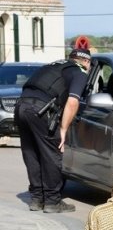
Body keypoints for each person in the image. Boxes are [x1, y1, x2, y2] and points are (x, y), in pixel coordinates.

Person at [15, 48, 91, 213]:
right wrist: (63, 129)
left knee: (31, 153)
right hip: (41, 111)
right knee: (51, 153)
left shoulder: (54, 66)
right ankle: (52, 201)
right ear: (86, 62)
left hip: (21, 106)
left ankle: (37, 199)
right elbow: (72, 102)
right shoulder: (80, 72)